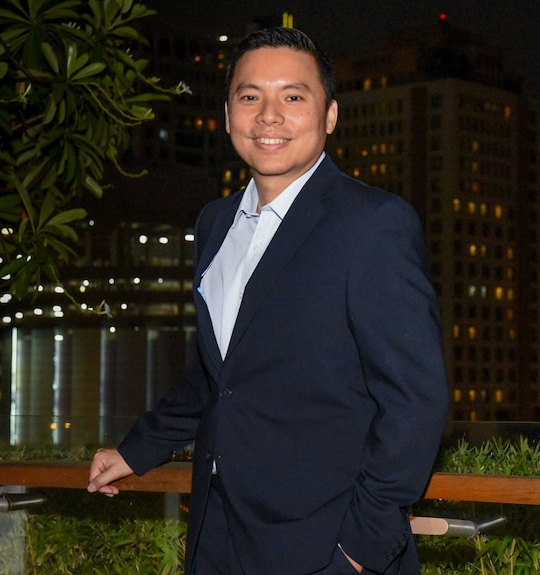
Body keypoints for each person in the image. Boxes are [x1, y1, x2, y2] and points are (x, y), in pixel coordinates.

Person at [88, 26, 449, 574]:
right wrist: (136, 450)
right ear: (228, 113)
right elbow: (215, 377)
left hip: (325, 545)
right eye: (250, 96)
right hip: (217, 534)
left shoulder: (372, 224)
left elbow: (414, 399)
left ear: (329, 116)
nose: (269, 115)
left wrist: (363, 545)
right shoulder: (214, 223)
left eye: (294, 97)